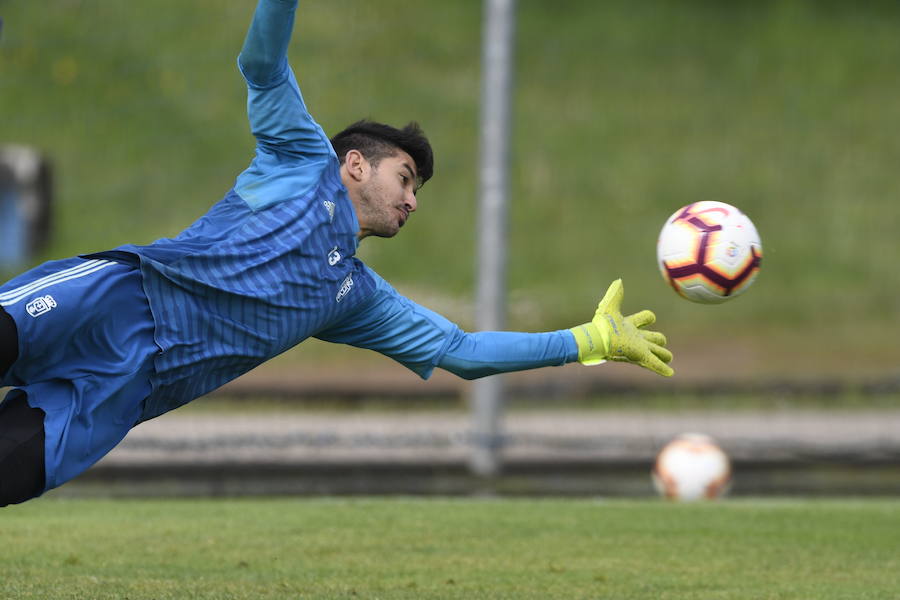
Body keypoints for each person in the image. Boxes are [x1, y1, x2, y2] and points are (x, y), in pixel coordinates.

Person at [0, 0, 673, 507]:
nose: (413, 201)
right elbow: (261, 65)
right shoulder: (299, 159)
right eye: (406, 178)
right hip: (109, 301)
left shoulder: (352, 297)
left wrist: (585, 340)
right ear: (355, 164)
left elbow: (463, 353)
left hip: (120, 392)